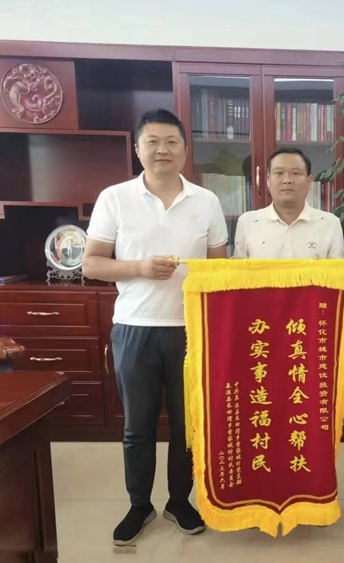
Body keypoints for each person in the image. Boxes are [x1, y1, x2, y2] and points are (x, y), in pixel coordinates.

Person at [83, 109, 229, 546]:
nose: (162, 150)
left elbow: (219, 269)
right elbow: (91, 264)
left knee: (187, 427)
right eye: (153, 142)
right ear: (137, 149)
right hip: (135, 328)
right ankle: (139, 505)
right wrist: (140, 268)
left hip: (191, 332)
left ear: (185, 149)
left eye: (171, 142)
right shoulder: (115, 198)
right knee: (138, 426)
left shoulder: (206, 201)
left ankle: (179, 502)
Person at [233, 148, 344, 259]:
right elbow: (239, 270)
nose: (287, 180)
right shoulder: (247, 223)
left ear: (309, 182)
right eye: (279, 173)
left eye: (295, 173)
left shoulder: (330, 224)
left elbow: (338, 270)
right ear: (268, 180)